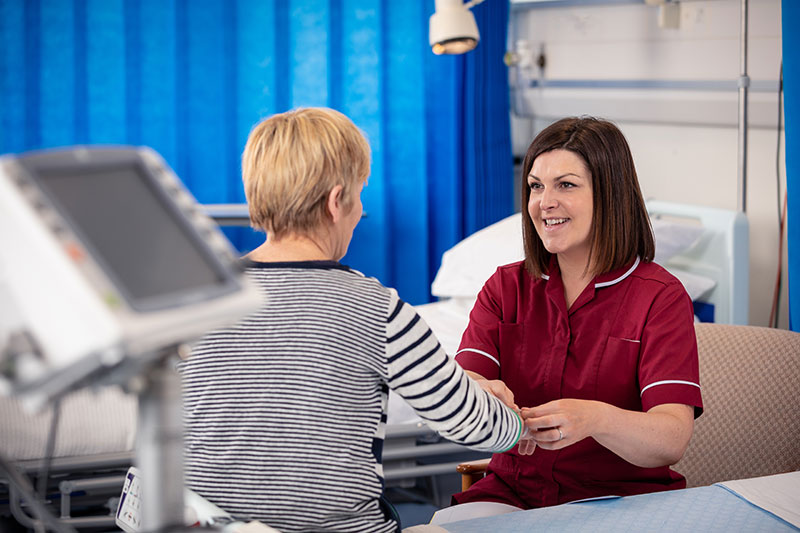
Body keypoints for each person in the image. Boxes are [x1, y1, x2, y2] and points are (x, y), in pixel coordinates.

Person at [178, 107, 526, 533]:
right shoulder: (373, 308)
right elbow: (478, 428)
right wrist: (513, 419)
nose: (360, 212)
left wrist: (458, 386)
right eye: (360, 194)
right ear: (335, 201)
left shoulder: (194, 298)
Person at [452, 116, 703, 510]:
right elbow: (466, 379)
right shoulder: (505, 288)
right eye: (536, 186)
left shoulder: (661, 298)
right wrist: (475, 393)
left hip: (622, 501)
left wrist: (596, 419)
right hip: (513, 493)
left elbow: (672, 438)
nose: (544, 202)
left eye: (566, 185)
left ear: (610, 194)